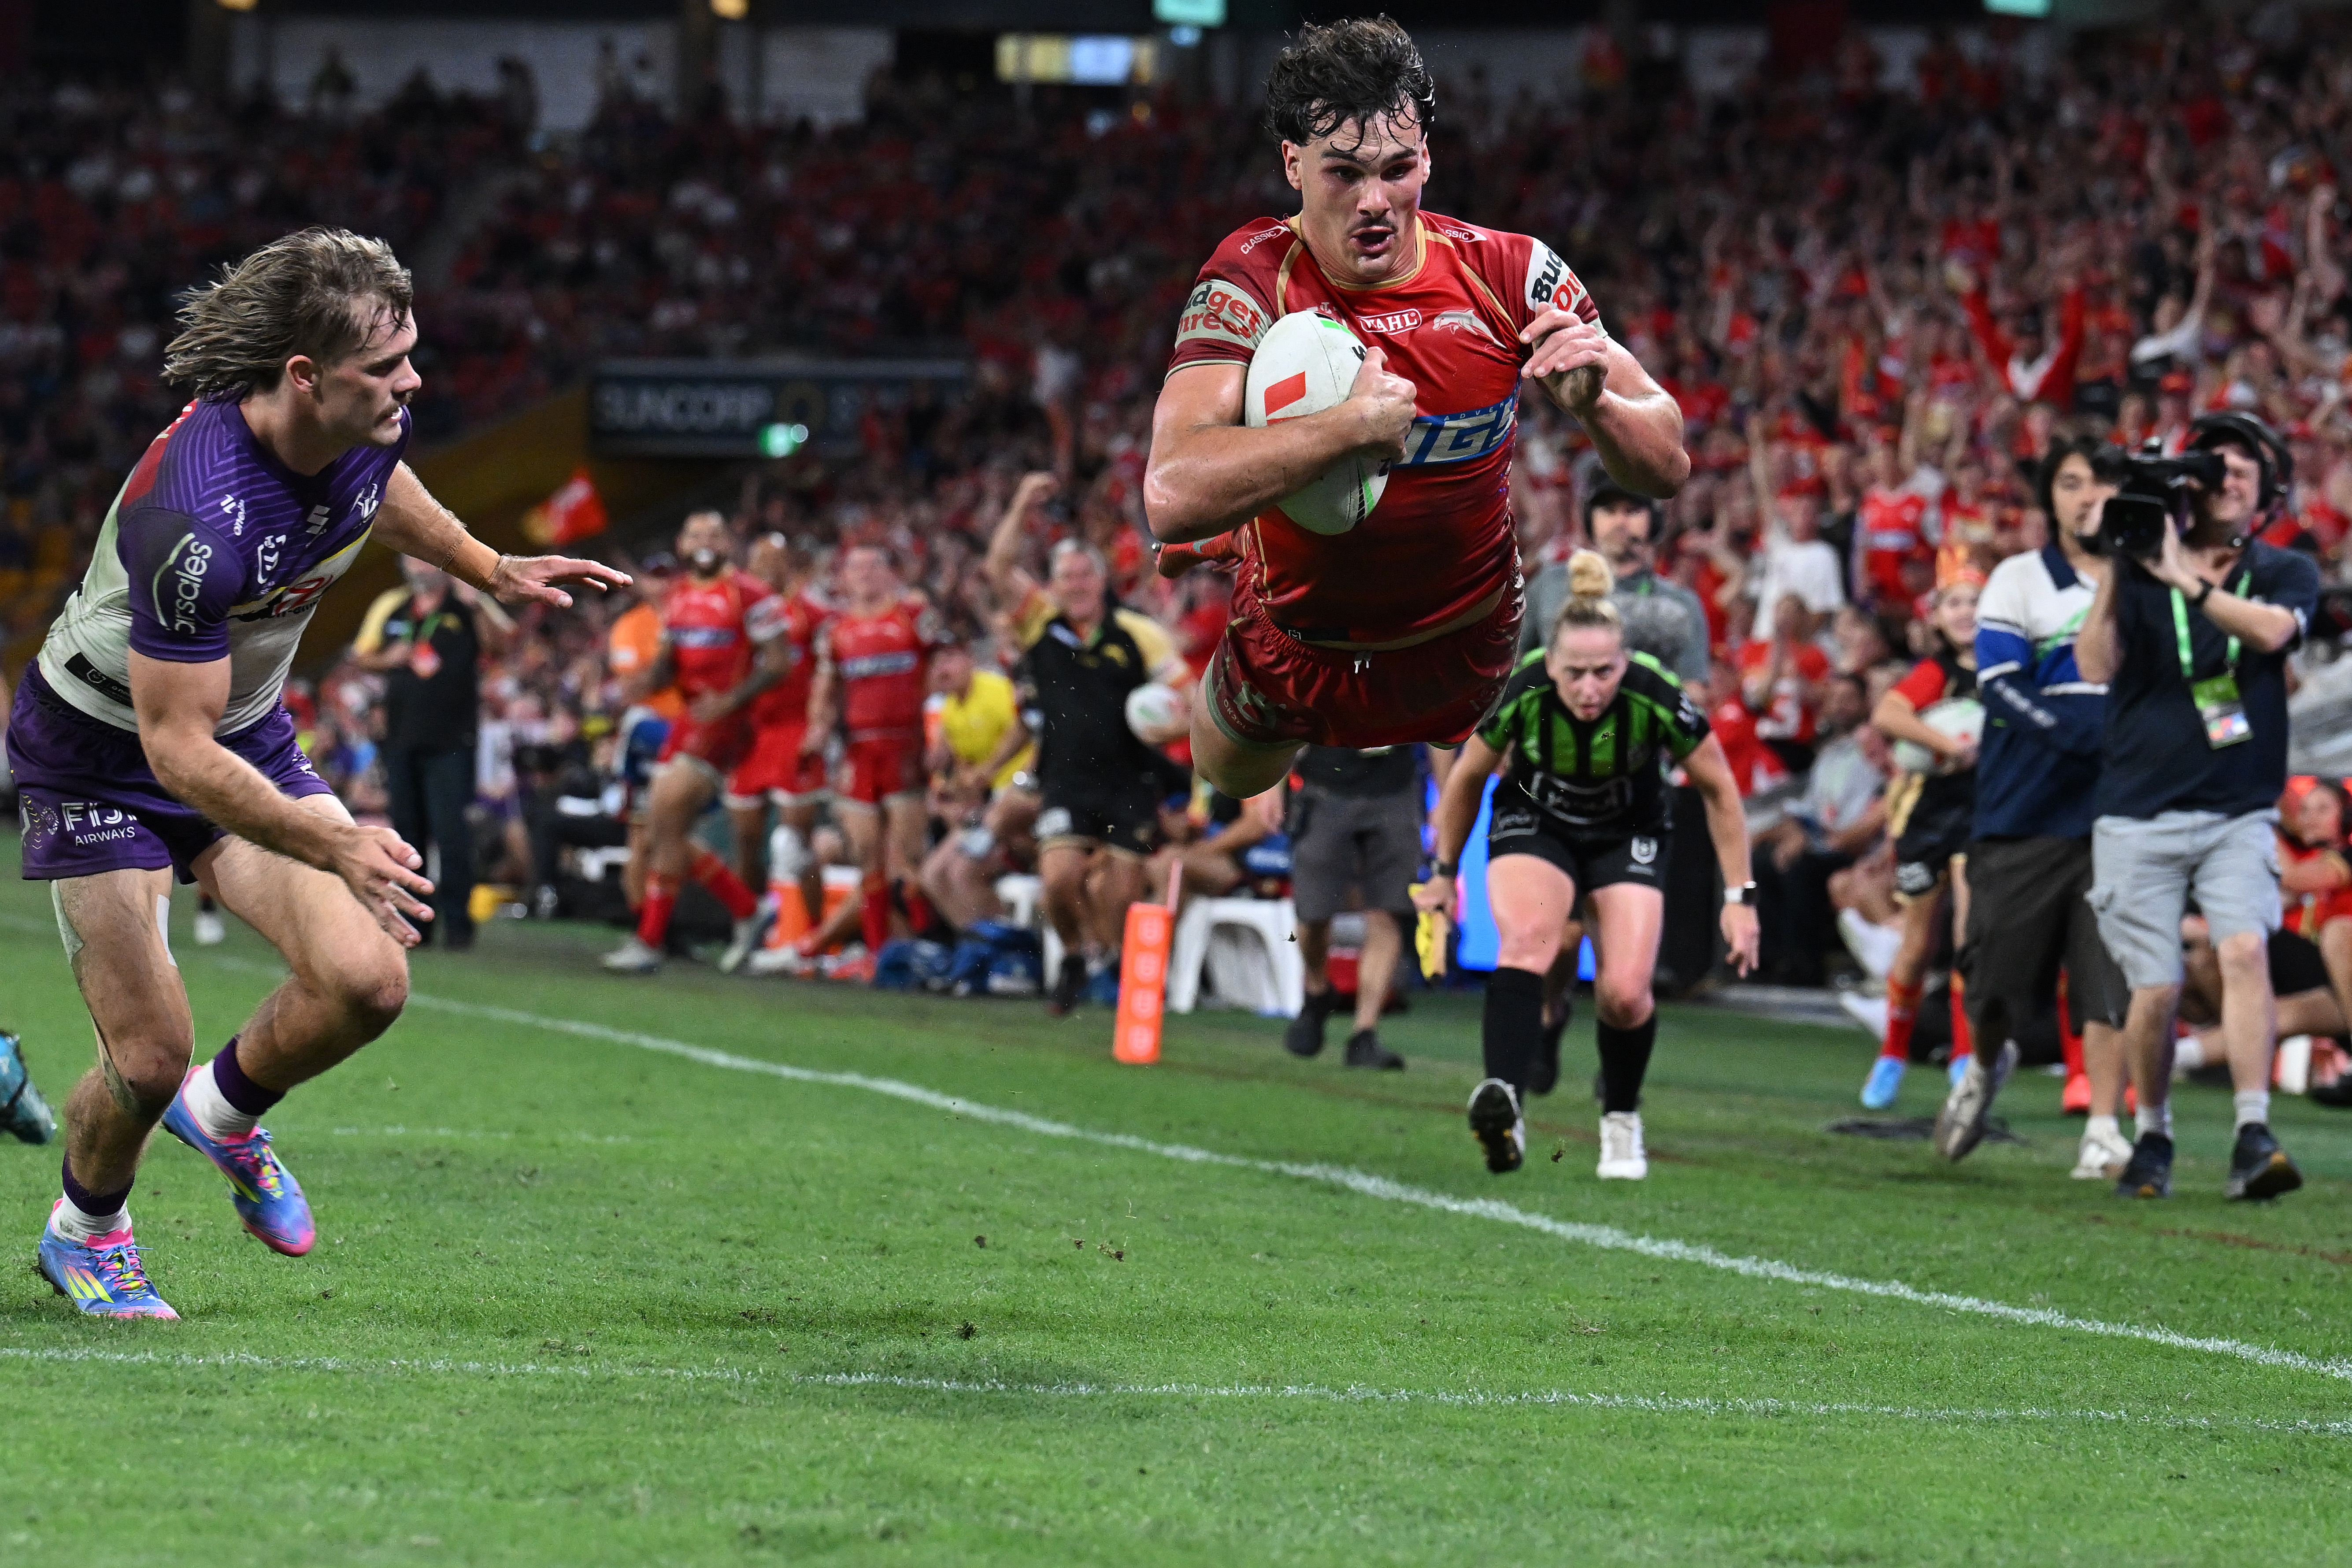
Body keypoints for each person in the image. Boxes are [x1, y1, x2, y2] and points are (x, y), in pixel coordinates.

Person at [6, 227, 622, 1317]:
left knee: (368, 981)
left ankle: (228, 1113)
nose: (411, 383)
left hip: (235, 733)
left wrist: (487, 565)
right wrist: (330, 835)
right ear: (303, 377)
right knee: (147, 1055)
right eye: (385, 368)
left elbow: (379, 482)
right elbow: (171, 749)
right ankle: (87, 1232)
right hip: (105, 750)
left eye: (409, 357)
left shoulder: (359, 423)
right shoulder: (195, 520)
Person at [1143, 17, 1687, 801]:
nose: (1375, 201)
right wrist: (1349, 429)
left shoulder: (1509, 272)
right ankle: (1251, 529)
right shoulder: (1251, 276)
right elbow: (1168, 496)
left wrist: (1596, 404)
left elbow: (1666, 464)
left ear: (1427, 155)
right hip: (1297, 647)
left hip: (1460, 648)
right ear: (1291, 163)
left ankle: (1250, 524)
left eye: (1397, 169)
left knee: (1449, 741)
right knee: (1225, 775)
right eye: (1342, 173)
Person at [1416, 551, 1759, 1181]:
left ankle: (1621, 1120)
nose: (1589, 687)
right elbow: (1466, 780)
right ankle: (1506, 1105)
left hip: (1627, 827)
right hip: (1534, 816)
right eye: (1574, 672)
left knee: (1625, 993)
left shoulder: (1655, 693)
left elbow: (1719, 791)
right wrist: (1440, 872)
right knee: (1526, 943)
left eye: (1603, 671)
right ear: (1549, 662)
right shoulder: (1521, 687)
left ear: (1624, 662)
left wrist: (1739, 895)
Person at [2065, 413, 2319, 1201]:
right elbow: (2093, 664)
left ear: (2265, 492)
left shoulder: (2280, 569)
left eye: (2245, 470)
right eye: (2216, 469)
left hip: (2236, 805)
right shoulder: (2137, 573)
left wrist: (2188, 579)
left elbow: (2274, 634)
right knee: (2157, 985)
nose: (2229, 479)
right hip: (2135, 809)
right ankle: (2153, 1133)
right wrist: (2117, 563)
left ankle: (2252, 1129)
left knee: (2242, 950)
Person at [1932, 440, 2133, 1179]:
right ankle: (1984, 1067)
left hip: (2115, 814)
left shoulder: (2146, 579)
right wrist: (2082, 734)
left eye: (2103, 482)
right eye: (2073, 483)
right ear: (2050, 499)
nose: (2090, 497)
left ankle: (2104, 1128)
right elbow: (1998, 684)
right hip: (2023, 812)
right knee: (1992, 989)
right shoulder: (2019, 579)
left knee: (2106, 976)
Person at [987, 473, 1192, 1013]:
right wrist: (1019, 505)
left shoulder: (1137, 634)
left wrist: (1171, 724)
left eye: (1083, 575)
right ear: (1053, 585)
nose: (1075, 585)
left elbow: (1186, 699)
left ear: (1100, 581)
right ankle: (1075, 955)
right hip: (1065, 779)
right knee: (1058, 880)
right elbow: (996, 568)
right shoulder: (1039, 625)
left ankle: (1125, 984)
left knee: (1121, 894)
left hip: (1128, 781)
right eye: (1065, 577)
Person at [600, 512, 786, 975]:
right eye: (697, 535)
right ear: (684, 544)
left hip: (724, 723)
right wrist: (645, 682)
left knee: (664, 817)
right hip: (687, 720)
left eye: (715, 535)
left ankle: (650, 942)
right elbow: (670, 661)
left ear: (728, 543)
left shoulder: (750, 594)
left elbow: (780, 661)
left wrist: (731, 700)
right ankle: (747, 909)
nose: (706, 542)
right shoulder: (679, 595)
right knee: (665, 831)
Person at [789, 545, 950, 977]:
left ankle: (929, 944)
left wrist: (939, 731)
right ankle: (881, 953)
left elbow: (943, 671)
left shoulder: (914, 615)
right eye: (855, 568)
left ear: (888, 573)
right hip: (860, 748)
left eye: (872, 565)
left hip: (906, 746)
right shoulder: (836, 629)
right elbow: (826, 689)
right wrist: (816, 730)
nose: (864, 575)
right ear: (843, 577)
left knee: (912, 854)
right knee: (867, 854)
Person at [1856, 573, 1982, 1110]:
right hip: (1926, 818)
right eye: (1953, 602)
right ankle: (1892, 1053)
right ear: (1935, 616)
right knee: (1916, 947)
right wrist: (1948, 746)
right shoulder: (1935, 673)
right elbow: (1887, 714)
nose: (1964, 612)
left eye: (1975, 602)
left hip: (1985, 816)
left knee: (1970, 937)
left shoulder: (2007, 671)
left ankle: (1962, 1058)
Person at [350, 558, 515, 951]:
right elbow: (361, 654)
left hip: (452, 741)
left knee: (451, 831)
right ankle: (414, 923)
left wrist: (476, 604)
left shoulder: (466, 605)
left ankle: (459, 925)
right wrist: (387, 660)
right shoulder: (392, 604)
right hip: (401, 738)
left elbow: (504, 644)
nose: (420, 564)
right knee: (408, 833)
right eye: (412, 556)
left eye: (427, 557)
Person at [719, 534, 829, 959]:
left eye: (775, 560)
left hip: (793, 728)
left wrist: (821, 723)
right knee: (745, 841)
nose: (766, 566)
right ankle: (747, 929)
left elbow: (830, 669)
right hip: (750, 733)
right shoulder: (738, 607)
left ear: (790, 566)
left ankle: (814, 938)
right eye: (759, 559)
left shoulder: (812, 611)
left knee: (793, 839)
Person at [1282, 743, 1419, 1071]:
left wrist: (1445, 796)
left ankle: (1364, 1032)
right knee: (1313, 914)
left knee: (1387, 910)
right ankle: (1318, 991)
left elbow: (1439, 725)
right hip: (1324, 785)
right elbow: (1284, 714)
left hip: (1394, 788)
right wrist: (1273, 789)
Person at [1520, 480, 1710, 686]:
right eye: (1609, 511)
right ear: (1589, 520)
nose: (1620, 521)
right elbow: (1515, 664)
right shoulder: (1550, 584)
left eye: (1632, 511)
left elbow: (1693, 691)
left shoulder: (1681, 604)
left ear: (1654, 521)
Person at [913, 642, 1035, 934]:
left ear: (970, 660)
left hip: (1018, 799)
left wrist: (1015, 784)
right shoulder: (951, 709)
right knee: (931, 875)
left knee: (962, 872)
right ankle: (979, 943)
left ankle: (1009, 947)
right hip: (987, 807)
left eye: (951, 659)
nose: (944, 669)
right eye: (937, 663)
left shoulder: (997, 692)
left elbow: (1033, 741)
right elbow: (970, 777)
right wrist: (948, 792)